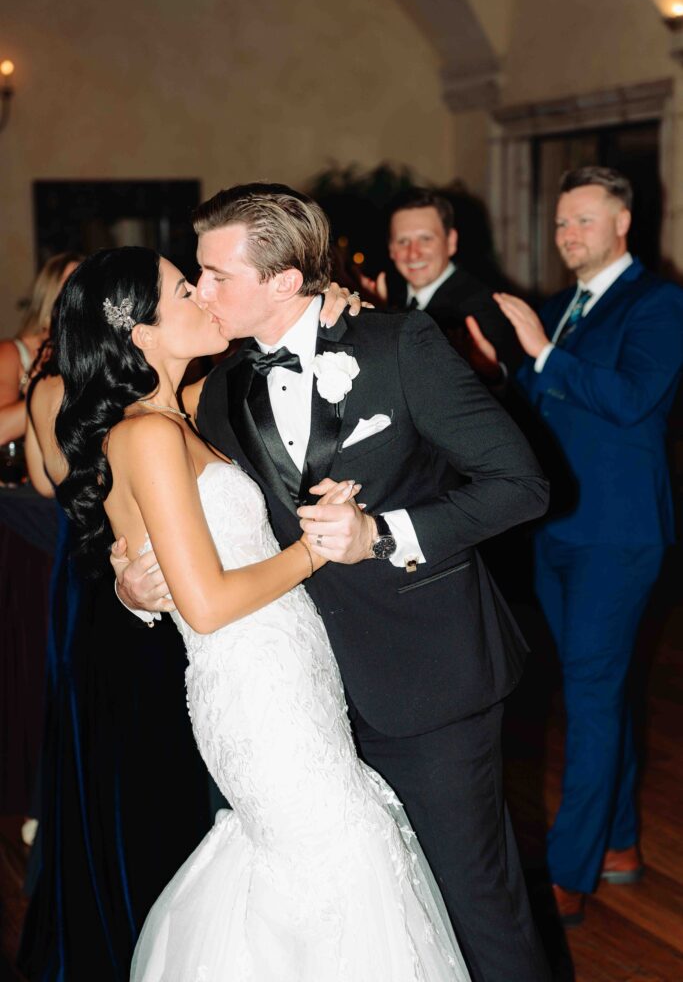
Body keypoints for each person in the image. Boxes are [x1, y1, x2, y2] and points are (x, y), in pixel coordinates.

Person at [118, 183, 552, 982]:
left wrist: (383, 535)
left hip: (427, 681)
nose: (201, 290)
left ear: (284, 280)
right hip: (292, 700)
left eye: (216, 275)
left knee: (471, 903)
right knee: (317, 914)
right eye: (197, 277)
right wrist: (134, 589)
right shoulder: (214, 390)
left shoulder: (400, 345)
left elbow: (520, 485)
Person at [51, 245, 471, 981]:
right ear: (141, 332)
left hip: (289, 675)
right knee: (334, 865)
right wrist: (318, 548)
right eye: (186, 289)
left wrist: (328, 304)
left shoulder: (185, 412)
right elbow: (206, 606)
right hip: (256, 693)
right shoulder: (147, 435)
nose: (206, 296)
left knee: (314, 873)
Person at [466, 165, 683, 926]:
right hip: (555, 531)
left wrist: (540, 350)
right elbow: (542, 407)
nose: (567, 235)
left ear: (622, 224)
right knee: (600, 689)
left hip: (617, 537)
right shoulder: (559, 308)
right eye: (560, 222)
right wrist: (503, 374)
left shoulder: (660, 303)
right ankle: (619, 842)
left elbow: (631, 401)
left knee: (589, 700)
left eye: (583, 221)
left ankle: (567, 872)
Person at [18, 313, 215, 982]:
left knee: (93, 726)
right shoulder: (155, 422)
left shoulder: (53, 390)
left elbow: (49, 484)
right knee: (139, 755)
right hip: (129, 578)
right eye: (185, 289)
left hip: (90, 569)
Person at [362, 188, 522, 372]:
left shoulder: (482, 307)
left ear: (451, 241)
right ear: (391, 248)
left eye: (425, 239)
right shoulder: (388, 300)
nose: (413, 253)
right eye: (403, 241)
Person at [0, 252, 81, 445]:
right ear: (48, 292)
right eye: (70, 281)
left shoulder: (85, 356)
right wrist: (50, 390)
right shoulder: (13, 352)